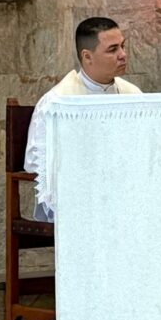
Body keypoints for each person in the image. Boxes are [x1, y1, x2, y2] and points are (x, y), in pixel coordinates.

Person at [24, 18, 141, 218]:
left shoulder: (134, 95)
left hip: (126, 192)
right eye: (113, 49)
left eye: (123, 46)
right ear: (87, 56)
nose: (123, 55)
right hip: (79, 197)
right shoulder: (58, 103)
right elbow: (34, 161)